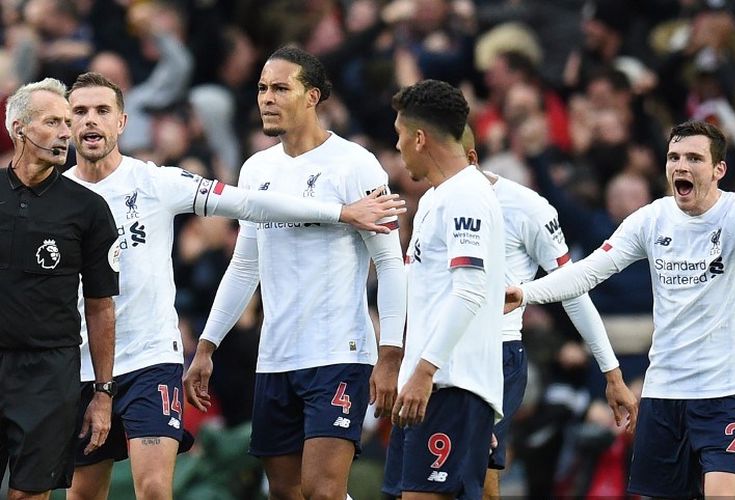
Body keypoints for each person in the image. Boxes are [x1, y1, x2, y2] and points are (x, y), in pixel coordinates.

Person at [63, 71, 405, 500]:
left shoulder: (156, 182)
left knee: (156, 489)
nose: (91, 121)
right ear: (67, 123)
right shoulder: (56, 197)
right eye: (80, 112)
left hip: (156, 359)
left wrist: (342, 212)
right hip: (86, 364)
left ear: (122, 122)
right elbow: (245, 263)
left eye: (102, 111)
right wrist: (207, 346)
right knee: (82, 493)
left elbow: (247, 203)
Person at [184, 46, 407, 499]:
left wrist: (390, 354)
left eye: (281, 88)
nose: (267, 98)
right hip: (276, 356)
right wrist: (206, 345)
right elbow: (246, 265)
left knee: (323, 491)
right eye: (263, 88)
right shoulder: (256, 169)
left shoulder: (355, 164)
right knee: (286, 493)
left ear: (312, 97)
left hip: (339, 353)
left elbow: (389, 262)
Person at [505, 120, 735, 498]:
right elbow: (586, 273)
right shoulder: (652, 219)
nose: (681, 166)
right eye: (674, 157)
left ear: (719, 170)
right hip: (664, 390)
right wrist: (526, 292)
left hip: (726, 391)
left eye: (694, 159)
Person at [457, 126, 638, 499]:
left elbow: (573, 285)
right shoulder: (430, 201)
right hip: (437, 357)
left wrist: (611, 371)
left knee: (476, 471)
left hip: (506, 355)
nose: (398, 147)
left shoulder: (528, 208)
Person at [381, 79, 505, 499]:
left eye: (399, 136)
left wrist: (425, 371)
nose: (397, 148)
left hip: (446, 386)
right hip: (433, 386)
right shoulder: (439, 197)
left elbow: (469, 291)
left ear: (419, 138)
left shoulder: (466, 196)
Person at [0, 78, 118, 499]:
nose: (67, 132)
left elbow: (101, 306)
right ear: (19, 128)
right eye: (53, 122)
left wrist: (103, 393)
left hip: (50, 374)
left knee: (30, 493)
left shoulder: (87, 209)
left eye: (68, 122)